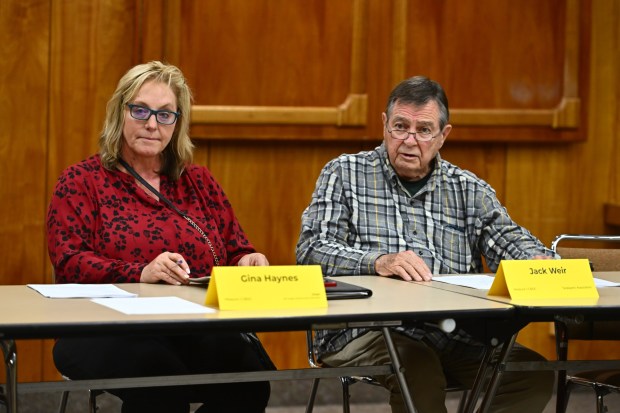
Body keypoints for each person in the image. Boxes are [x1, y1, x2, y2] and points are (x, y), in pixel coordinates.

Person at [296, 76, 556, 413]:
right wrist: (378, 261)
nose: (409, 140)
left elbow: (509, 239)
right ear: (384, 124)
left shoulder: (468, 188)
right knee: (417, 369)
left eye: (423, 130)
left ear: (443, 135)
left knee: (530, 375)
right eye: (400, 127)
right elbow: (311, 249)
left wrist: (538, 262)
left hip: (456, 333)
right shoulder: (344, 173)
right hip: (366, 331)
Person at [47, 61, 271, 413]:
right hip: (100, 326)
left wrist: (248, 260)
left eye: (165, 114)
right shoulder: (81, 181)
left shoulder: (198, 181)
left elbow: (235, 248)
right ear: (119, 113)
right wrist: (140, 272)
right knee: (161, 384)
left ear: (176, 123)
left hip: (189, 325)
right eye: (140, 110)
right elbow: (69, 261)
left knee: (250, 381)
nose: (152, 124)